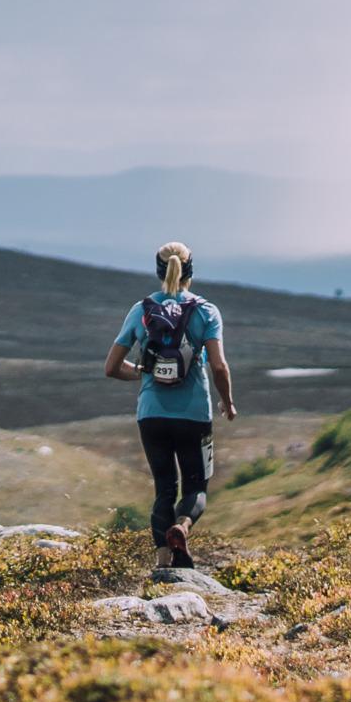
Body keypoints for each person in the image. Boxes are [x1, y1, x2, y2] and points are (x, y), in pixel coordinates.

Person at [105, 241, 236, 567]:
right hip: (194, 414)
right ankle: (182, 526)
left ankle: (164, 564)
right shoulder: (206, 311)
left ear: (158, 271)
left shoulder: (141, 310)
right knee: (196, 487)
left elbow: (111, 367)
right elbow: (219, 366)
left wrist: (146, 372)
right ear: (190, 271)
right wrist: (227, 402)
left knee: (164, 488)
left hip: (151, 414)